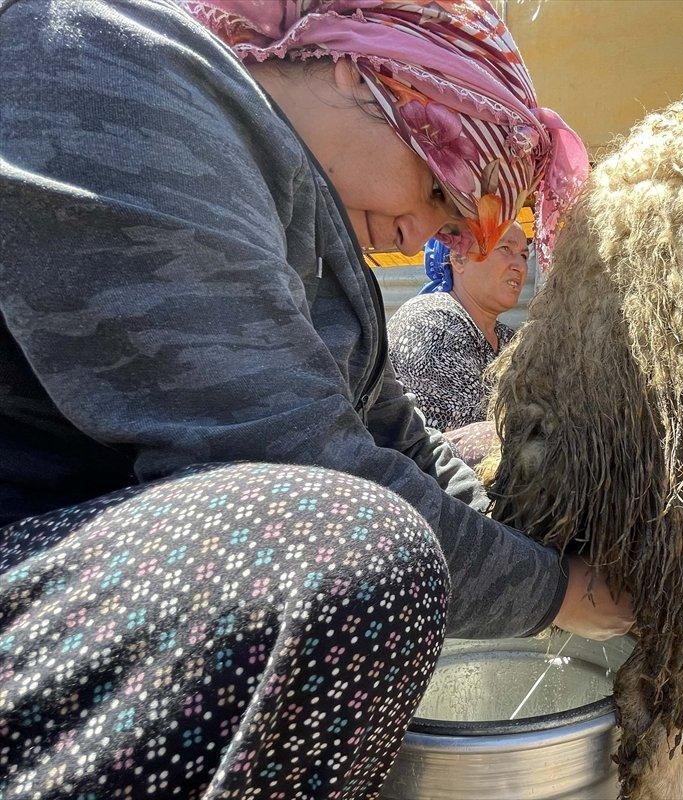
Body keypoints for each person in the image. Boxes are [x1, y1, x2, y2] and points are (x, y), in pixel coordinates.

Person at [0, 1, 631, 797]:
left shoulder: (307, 228)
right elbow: (295, 455)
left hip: (77, 588)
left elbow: (394, 436)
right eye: (439, 191)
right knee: (353, 547)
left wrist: (513, 537)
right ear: (359, 73)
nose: (424, 235)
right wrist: (560, 593)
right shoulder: (109, 67)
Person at [387, 223, 527, 461]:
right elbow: (463, 442)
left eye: (524, 255)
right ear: (459, 259)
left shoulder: (507, 340)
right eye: (505, 248)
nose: (521, 266)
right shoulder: (430, 324)